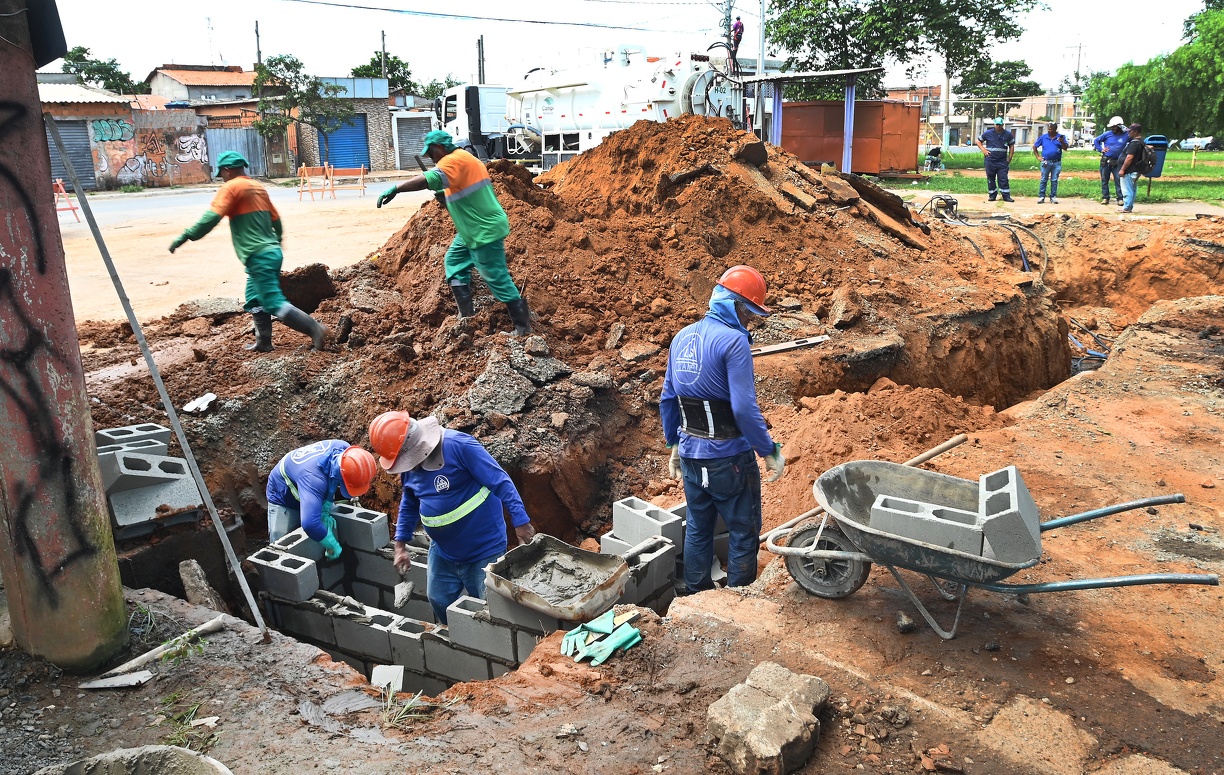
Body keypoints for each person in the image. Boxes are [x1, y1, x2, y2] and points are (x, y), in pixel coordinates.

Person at [659, 265, 785, 595]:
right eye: (750, 312)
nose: (750, 321)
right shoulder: (733, 342)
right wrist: (768, 449)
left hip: (690, 455)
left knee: (699, 526)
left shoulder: (681, 337)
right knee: (744, 529)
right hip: (727, 458)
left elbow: (668, 398)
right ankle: (739, 599)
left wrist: (674, 442)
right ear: (735, 306)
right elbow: (743, 408)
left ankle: (697, 594)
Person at [369, 411, 537, 623]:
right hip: (442, 551)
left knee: (491, 611)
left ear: (416, 447)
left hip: (483, 550)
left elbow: (500, 481)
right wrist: (400, 544)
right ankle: (458, 640)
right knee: (438, 599)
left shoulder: (459, 446)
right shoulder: (410, 466)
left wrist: (521, 522)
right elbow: (409, 501)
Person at [375, 130, 532, 335]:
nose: (431, 159)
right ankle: (466, 317)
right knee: (454, 262)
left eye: (431, 154)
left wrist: (396, 188)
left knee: (496, 276)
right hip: (471, 229)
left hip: (483, 229)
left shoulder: (452, 161)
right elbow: (460, 190)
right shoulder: (465, 158)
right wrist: (445, 195)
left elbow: (425, 179)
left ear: (439, 148)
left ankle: (523, 329)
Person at [169, 151, 328, 351]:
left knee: (272, 301)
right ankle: (263, 342)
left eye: (222, 173)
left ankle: (315, 329)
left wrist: (186, 235)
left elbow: (211, 218)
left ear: (226, 171)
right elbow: (276, 220)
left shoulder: (231, 187)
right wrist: (276, 241)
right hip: (270, 252)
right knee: (254, 296)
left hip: (258, 255)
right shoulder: (257, 187)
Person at [265, 441, 377, 558]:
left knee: (319, 519)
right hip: (282, 493)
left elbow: (332, 477)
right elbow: (309, 524)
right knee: (282, 546)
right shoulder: (314, 481)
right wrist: (331, 544)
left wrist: (325, 508)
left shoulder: (344, 451)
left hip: (308, 482)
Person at [974, 117, 1015, 202]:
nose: (998, 126)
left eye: (1000, 125)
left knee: (1003, 178)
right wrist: (984, 150)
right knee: (990, 178)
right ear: (994, 124)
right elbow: (978, 141)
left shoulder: (1008, 134)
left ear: (1002, 125)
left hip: (1002, 161)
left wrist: (1010, 157)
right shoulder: (988, 133)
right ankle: (992, 195)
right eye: (997, 125)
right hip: (990, 160)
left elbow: (1011, 145)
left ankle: (1006, 196)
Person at [1093, 116, 1128, 205]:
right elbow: (1096, 140)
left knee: (1118, 180)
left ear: (1120, 126)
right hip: (1106, 161)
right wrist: (1101, 149)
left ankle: (1120, 198)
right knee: (1105, 179)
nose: (1112, 128)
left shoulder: (1126, 135)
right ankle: (1105, 197)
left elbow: (1134, 140)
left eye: (1114, 126)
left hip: (1118, 162)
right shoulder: (1107, 134)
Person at [1032, 122, 1070, 204]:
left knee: (1054, 180)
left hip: (1056, 162)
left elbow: (1066, 148)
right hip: (1046, 161)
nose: (1049, 130)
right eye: (1048, 128)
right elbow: (1035, 146)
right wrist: (1038, 157)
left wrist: (1062, 142)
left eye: (1051, 129)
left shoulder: (1061, 137)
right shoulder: (1043, 137)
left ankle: (1053, 197)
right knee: (1043, 179)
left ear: (1055, 129)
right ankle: (1041, 196)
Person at [1116, 123, 1146, 214]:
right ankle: (1129, 207)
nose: (1128, 133)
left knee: (1127, 189)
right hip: (1135, 170)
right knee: (1132, 189)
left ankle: (1126, 207)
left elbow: (1129, 157)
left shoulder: (1134, 143)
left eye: (1130, 131)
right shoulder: (1141, 142)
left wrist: (1122, 169)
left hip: (1129, 170)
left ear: (1136, 132)